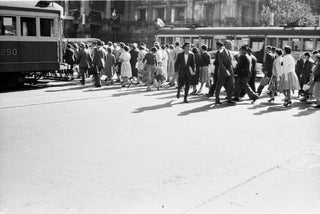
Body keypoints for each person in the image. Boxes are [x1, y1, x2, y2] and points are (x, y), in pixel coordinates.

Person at [215, 40, 235, 104]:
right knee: (219, 86)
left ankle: (229, 99)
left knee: (231, 86)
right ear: (225, 45)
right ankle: (217, 99)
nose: (231, 45)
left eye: (231, 44)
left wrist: (232, 70)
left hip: (230, 71)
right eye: (229, 44)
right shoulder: (221, 52)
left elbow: (231, 63)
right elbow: (221, 64)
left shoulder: (230, 52)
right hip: (222, 72)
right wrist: (226, 71)